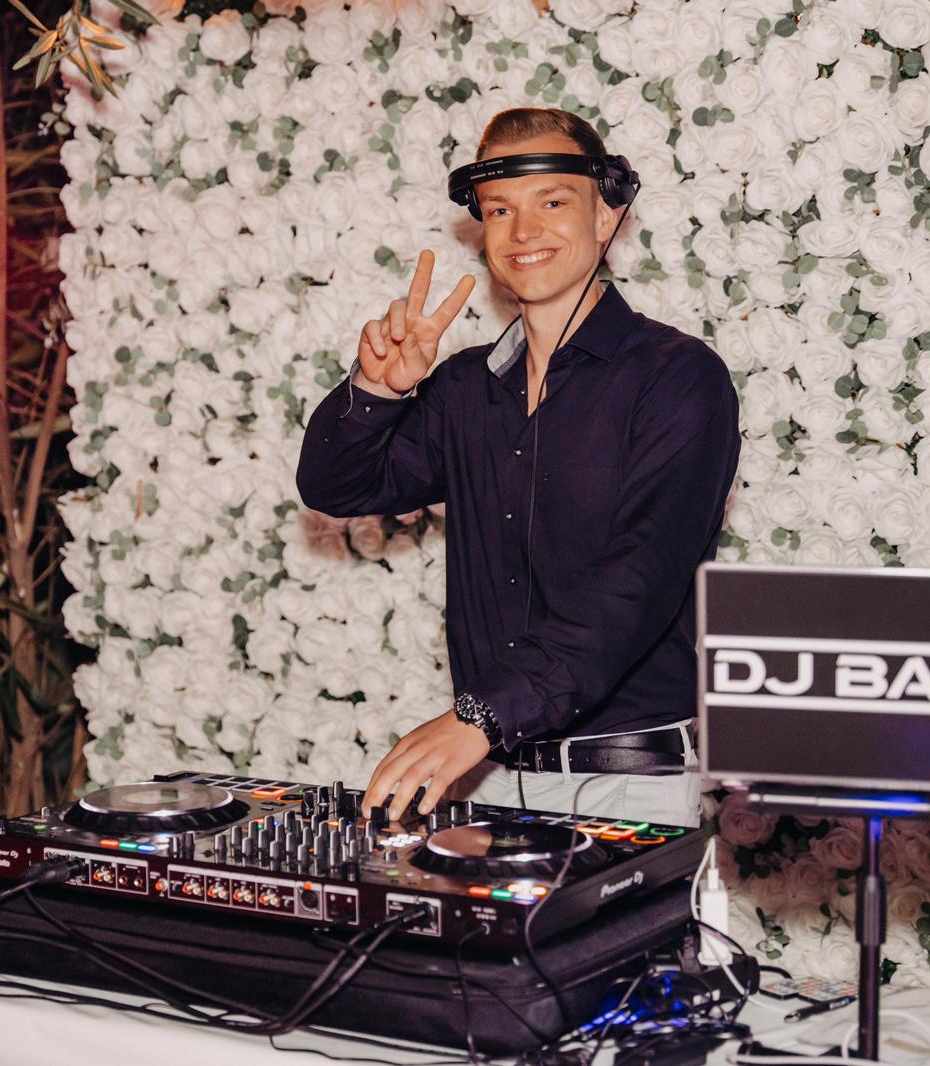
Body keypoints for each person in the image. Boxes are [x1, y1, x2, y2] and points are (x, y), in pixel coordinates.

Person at [296, 107, 739, 828]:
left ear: (607, 215)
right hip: (485, 780)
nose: (524, 230)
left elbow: (637, 581)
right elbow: (335, 487)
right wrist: (377, 390)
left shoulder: (679, 378)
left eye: (552, 202)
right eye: (500, 209)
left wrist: (481, 715)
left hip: (624, 783)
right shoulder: (463, 387)